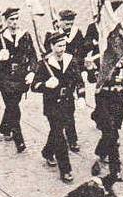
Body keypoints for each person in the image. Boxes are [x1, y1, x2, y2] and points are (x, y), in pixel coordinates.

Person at [31, 31, 85, 182]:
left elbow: (79, 81)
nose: (62, 49)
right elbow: (34, 86)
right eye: (59, 46)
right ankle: (66, 170)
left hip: (68, 103)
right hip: (52, 105)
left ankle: (47, 151)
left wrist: (81, 96)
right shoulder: (44, 64)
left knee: (57, 131)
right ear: (51, 46)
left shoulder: (71, 61)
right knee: (60, 136)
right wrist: (46, 85)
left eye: (64, 45)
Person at [0, 7, 36, 153]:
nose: (14, 22)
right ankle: (19, 140)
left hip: (20, 78)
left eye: (16, 19)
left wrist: (32, 72)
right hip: (5, 78)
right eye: (11, 20)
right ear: (5, 21)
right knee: (14, 108)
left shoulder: (25, 36)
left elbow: (33, 56)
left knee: (13, 104)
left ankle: (4, 127)